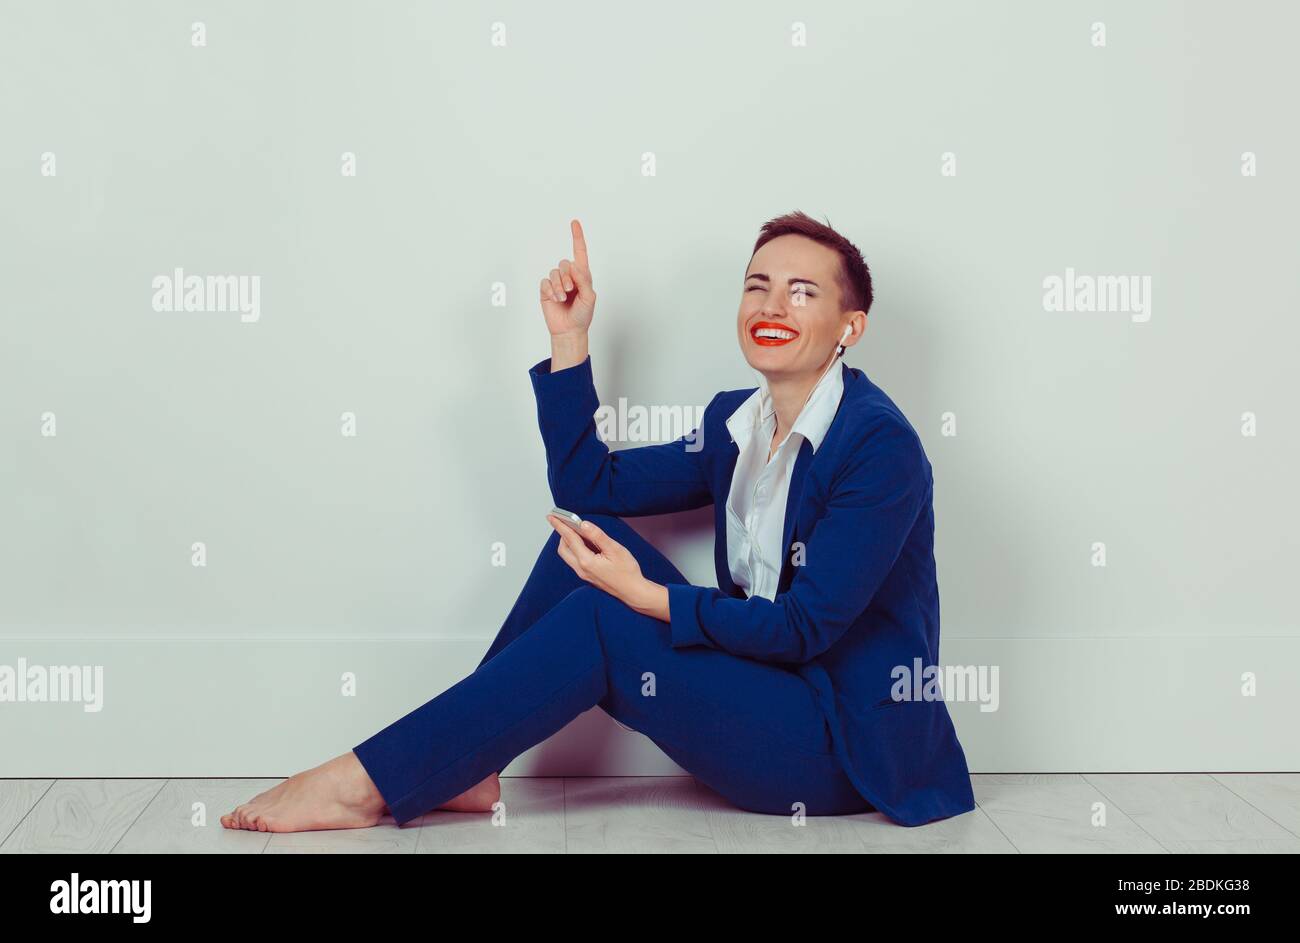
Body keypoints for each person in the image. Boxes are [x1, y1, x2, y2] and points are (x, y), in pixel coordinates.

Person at [221, 212, 975, 832]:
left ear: (851, 326)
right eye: (758, 286)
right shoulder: (734, 425)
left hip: (840, 748)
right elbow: (589, 482)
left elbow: (807, 629)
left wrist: (646, 598)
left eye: (802, 292)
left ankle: (367, 782)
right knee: (581, 544)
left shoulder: (878, 445)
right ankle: (467, 765)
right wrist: (570, 337)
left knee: (605, 616)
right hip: (767, 688)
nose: (772, 307)